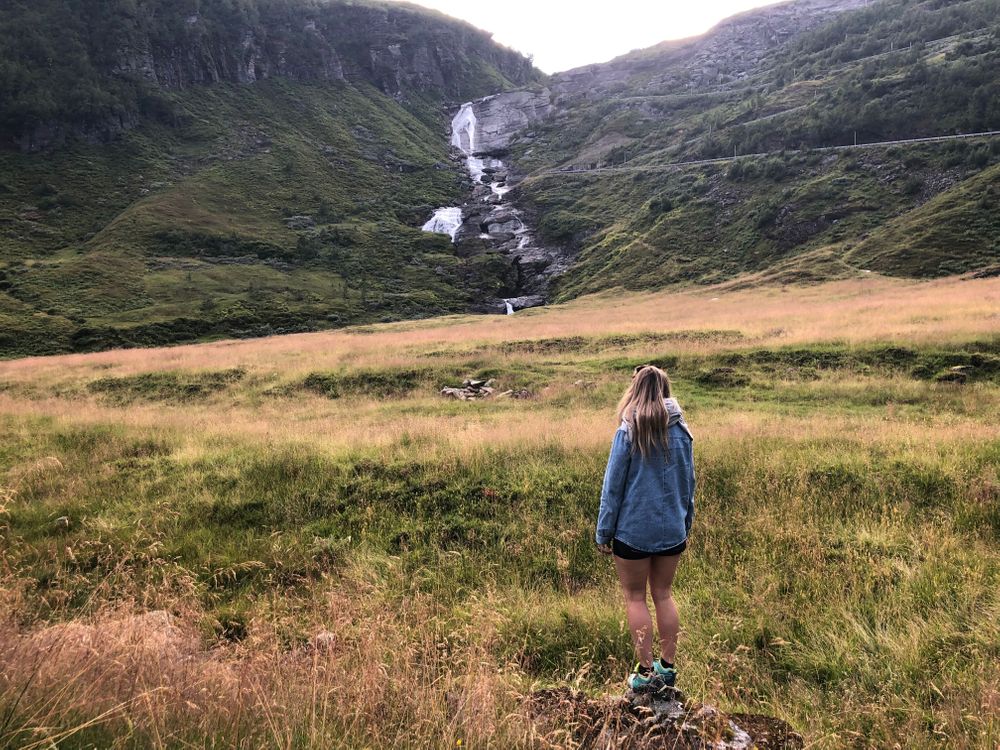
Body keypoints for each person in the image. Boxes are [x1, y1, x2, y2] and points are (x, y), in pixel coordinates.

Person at [595, 364, 695, 691]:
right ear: (665, 389)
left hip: (632, 533)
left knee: (635, 598)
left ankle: (644, 672)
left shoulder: (627, 431)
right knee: (664, 595)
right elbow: (688, 484)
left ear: (635, 390)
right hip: (672, 531)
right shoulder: (682, 431)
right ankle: (667, 668)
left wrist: (603, 533)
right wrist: (685, 523)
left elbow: (612, 489)